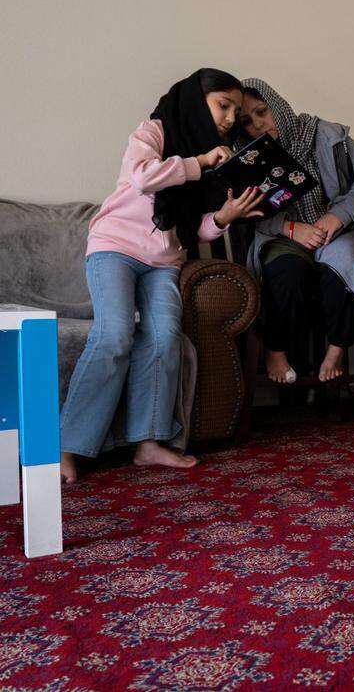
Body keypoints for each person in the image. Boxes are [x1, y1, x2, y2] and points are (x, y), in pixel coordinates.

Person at [59, 68, 265, 483]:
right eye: (222, 106)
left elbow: (193, 229)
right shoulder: (154, 131)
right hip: (114, 248)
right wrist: (200, 162)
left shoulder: (215, 159)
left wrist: (224, 217)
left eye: (234, 111)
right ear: (195, 99)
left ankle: (149, 443)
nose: (228, 119)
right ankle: (66, 446)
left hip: (163, 260)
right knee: (115, 334)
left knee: (165, 337)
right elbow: (142, 177)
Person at [236, 78, 354, 383]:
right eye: (248, 121)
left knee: (346, 268)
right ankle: (275, 349)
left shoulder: (325, 134)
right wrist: (290, 227)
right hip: (283, 236)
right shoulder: (247, 156)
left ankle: (337, 348)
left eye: (262, 112)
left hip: (334, 232)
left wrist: (338, 215)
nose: (258, 125)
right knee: (287, 275)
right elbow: (245, 212)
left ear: (276, 105)